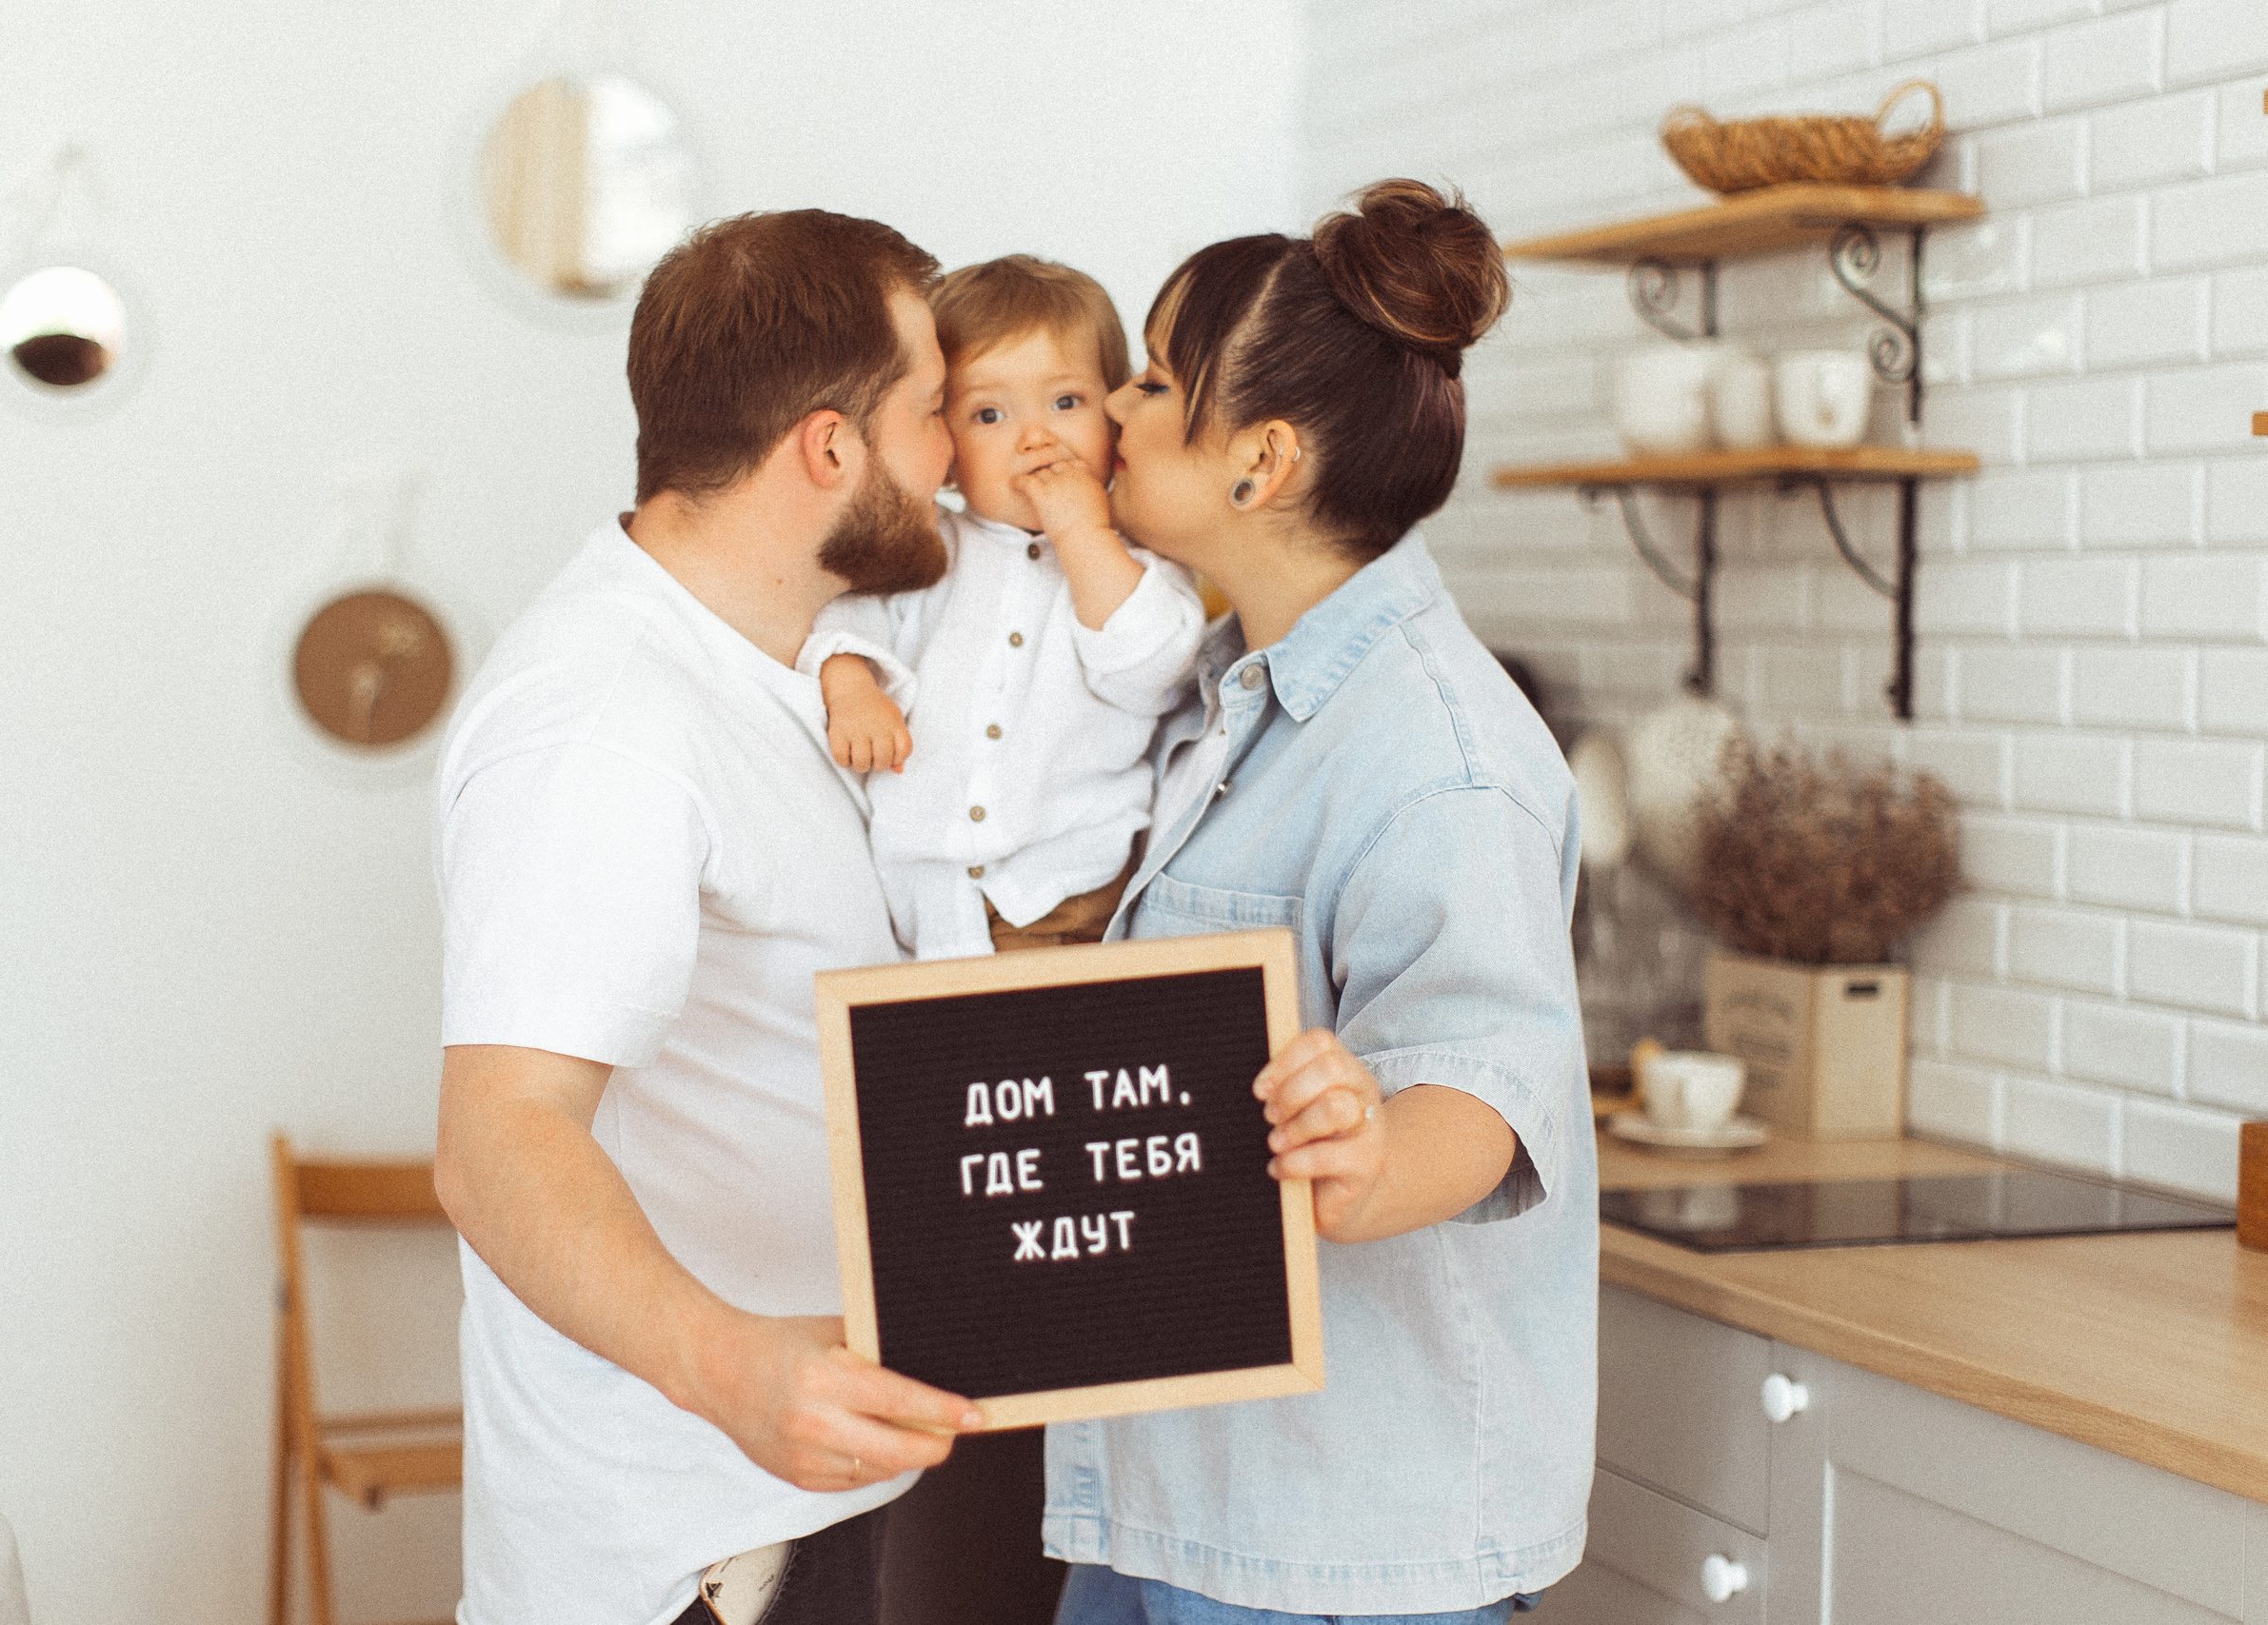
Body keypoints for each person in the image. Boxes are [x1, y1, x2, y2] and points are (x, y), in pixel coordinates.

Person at [1030, 180, 1598, 1623]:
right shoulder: (1233, 701)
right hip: (1180, 1495)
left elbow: (1485, 1084)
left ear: (1260, 459)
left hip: (1342, 1541)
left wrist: (1371, 1153)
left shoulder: (1440, 756)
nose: (1114, 407)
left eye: (1155, 380)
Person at [430, 208, 989, 1625]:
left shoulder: (774, 673)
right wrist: (734, 1366)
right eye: (932, 413)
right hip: (686, 1556)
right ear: (827, 447)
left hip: (790, 1510)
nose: (962, 461)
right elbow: (501, 1140)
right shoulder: (607, 714)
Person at [810, 254, 1206, 960]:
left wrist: (1081, 531)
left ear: (1113, 419)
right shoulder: (927, 549)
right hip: (921, 901)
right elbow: (848, 618)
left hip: (1066, 895)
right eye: (989, 414)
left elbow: (1149, 672)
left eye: (1066, 402)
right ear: (949, 450)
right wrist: (851, 685)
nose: (1034, 437)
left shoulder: (1139, 562)